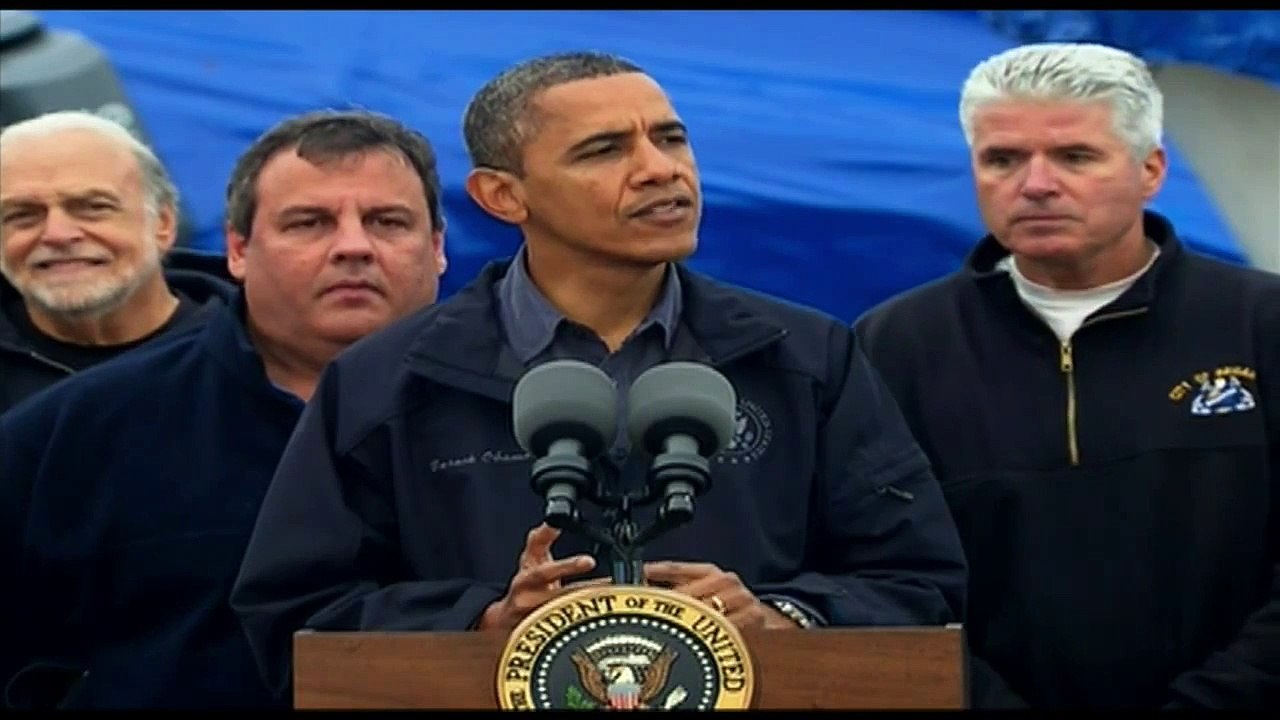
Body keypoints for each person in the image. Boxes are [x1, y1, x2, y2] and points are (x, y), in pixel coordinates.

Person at [229, 50, 969, 702]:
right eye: (604, 150)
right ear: (502, 196)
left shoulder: (805, 357)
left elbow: (921, 586)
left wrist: (779, 617)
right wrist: (484, 623)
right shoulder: (387, 382)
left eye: (671, 137)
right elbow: (297, 616)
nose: (661, 169)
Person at [854, 42, 1280, 709]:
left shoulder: (1262, 324)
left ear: (1151, 169)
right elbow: (877, 576)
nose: (1037, 183)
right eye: (1003, 159)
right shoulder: (892, 346)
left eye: (1076, 156)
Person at [0, 109, 448, 709]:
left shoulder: (534, 415)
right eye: (309, 222)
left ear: (439, 248)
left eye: (387, 221)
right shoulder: (64, 436)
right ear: (237, 248)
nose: (352, 247)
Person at [0, 110, 234, 414]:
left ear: (163, 223)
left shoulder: (269, 351)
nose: (57, 234)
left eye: (92, 207)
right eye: (22, 215)